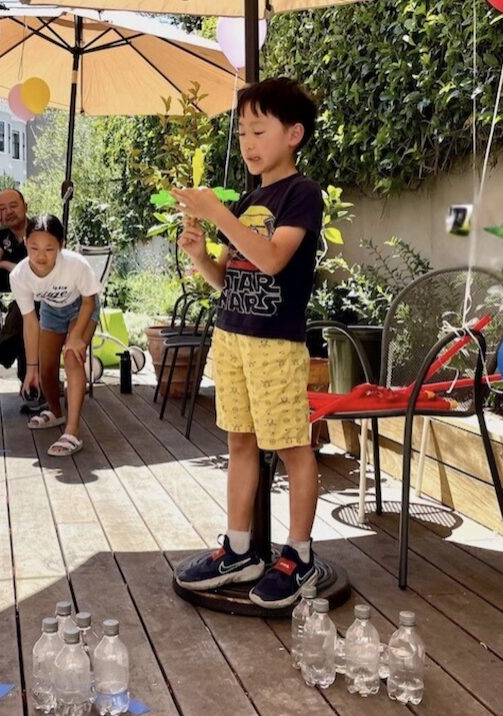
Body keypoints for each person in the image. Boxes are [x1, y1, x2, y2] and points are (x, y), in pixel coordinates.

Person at [171, 78, 323, 608]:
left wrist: (218, 215)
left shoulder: (301, 194)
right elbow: (230, 277)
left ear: (294, 134)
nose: (248, 142)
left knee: (291, 446)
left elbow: (273, 259)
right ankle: (240, 549)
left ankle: (299, 555)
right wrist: (200, 255)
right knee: (239, 440)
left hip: (275, 344)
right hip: (233, 335)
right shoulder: (256, 198)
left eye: (259, 129)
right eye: (242, 133)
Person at [10, 214, 101, 458]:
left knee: (72, 356)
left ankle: (72, 431)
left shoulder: (76, 264)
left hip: (81, 307)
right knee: (46, 370)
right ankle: (55, 412)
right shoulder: (19, 276)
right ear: (25, 241)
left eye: (50, 248)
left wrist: (77, 337)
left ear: (61, 245)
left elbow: (89, 301)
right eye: (34, 247)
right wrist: (30, 369)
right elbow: (30, 321)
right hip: (52, 310)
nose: (41, 256)